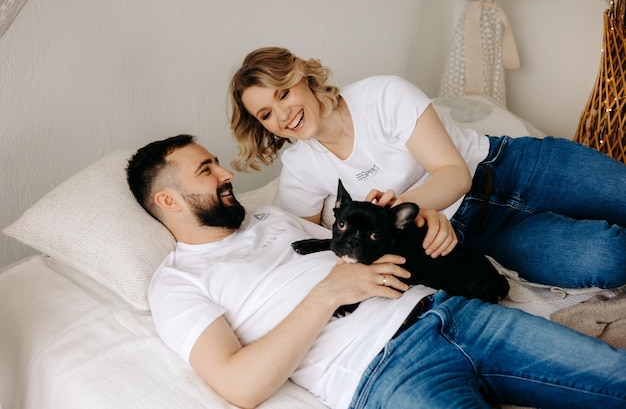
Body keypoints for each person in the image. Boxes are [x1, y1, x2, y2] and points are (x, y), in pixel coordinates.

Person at [127, 134, 626, 409]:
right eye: (206, 171)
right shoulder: (176, 283)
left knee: (613, 376)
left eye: (217, 162)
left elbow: (362, 230)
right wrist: (329, 293)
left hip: (450, 312)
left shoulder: (271, 217)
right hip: (383, 370)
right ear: (168, 200)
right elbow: (240, 387)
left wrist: (407, 216)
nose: (226, 173)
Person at [229, 46, 626, 290]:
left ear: (302, 79)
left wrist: (402, 206)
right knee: (609, 257)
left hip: (511, 166)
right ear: (260, 125)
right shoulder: (299, 169)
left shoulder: (382, 95)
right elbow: (321, 244)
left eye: (284, 93)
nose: (283, 114)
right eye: (266, 113)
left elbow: (454, 172)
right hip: (477, 233)